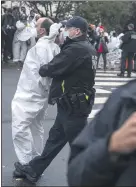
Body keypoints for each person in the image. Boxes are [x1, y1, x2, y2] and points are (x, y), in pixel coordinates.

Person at [67, 1, 136, 186]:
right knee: (126, 65)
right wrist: (111, 148)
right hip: (127, 56)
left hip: (125, 54)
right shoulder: (131, 99)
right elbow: (78, 174)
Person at [14, 16, 96, 183]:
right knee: (54, 141)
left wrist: (41, 64)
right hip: (70, 105)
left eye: (68, 28)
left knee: (80, 146)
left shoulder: (76, 49)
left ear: (77, 31)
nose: (65, 31)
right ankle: (33, 170)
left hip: (74, 107)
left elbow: (49, 69)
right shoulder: (85, 47)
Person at [12, 18, 61, 176]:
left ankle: (27, 163)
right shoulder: (52, 46)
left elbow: (44, 73)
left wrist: (41, 90)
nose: (34, 27)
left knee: (19, 127)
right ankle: (36, 160)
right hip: (38, 94)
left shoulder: (42, 47)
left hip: (30, 94)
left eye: (37, 25)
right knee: (35, 127)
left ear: (41, 31)